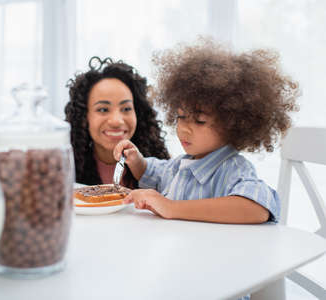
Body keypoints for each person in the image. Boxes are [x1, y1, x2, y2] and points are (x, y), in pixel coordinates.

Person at [114, 39, 300, 224]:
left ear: (233, 124)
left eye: (200, 121)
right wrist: (136, 160)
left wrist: (170, 207)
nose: (184, 128)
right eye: (181, 117)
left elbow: (257, 208)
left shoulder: (232, 168)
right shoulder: (181, 165)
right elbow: (155, 173)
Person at [65, 56, 170, 188]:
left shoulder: (165, 170)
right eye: (103, 109)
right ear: (84, 116)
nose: (116, 121)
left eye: (126, 108)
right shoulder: (64, 168)